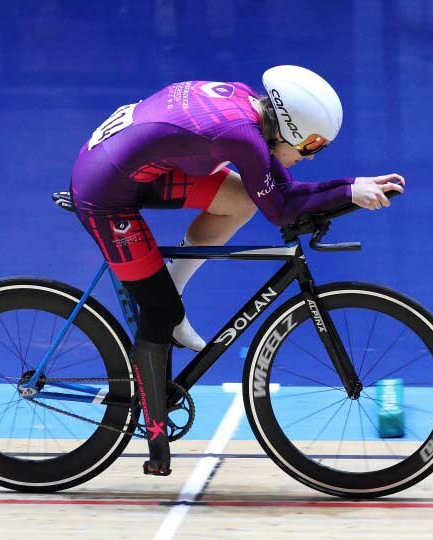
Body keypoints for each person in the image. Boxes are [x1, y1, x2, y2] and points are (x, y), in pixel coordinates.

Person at [70, 65, 404, 476]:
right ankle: (156, 441)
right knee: (158, 314)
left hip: (133, 163)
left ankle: (171, 288)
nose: (310, 156)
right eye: (311, 145)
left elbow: (275, 187)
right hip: (105, 192)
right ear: (285, 128)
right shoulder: (241, 136)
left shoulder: (251, 109)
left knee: (240, 201)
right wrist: (349, 192)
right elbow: (282, 208)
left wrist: (353, 185)